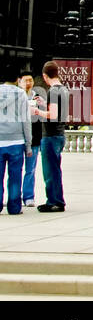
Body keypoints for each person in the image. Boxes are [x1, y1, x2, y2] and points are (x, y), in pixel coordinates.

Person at [34, 61, 69, 212]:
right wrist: (43, 104)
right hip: (60, 134)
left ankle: (54, 201)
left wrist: (36, 111)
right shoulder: (63, 89)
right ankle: (57, 199)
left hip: (51, 135)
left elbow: (52, 115)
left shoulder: (53, 91)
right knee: (55, 169)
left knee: (50, 171)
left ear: (45, 75)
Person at [0, 73, 32, 215]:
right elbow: (26, 121)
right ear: (17, 79)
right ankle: (14, 207)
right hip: (16, 141)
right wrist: (28, 144)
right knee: (15, 176)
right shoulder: (21, 94)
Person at [20, 74, 39, 208]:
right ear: (19, 81)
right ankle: (13, 196)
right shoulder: (16, 96)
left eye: (30, 80)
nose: (28, 83)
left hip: (34, 138)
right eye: (26, 80)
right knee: (14, 170)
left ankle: (28, 196)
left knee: (30, 169)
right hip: (17, 138)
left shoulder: (37, 97)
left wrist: (40, 107)